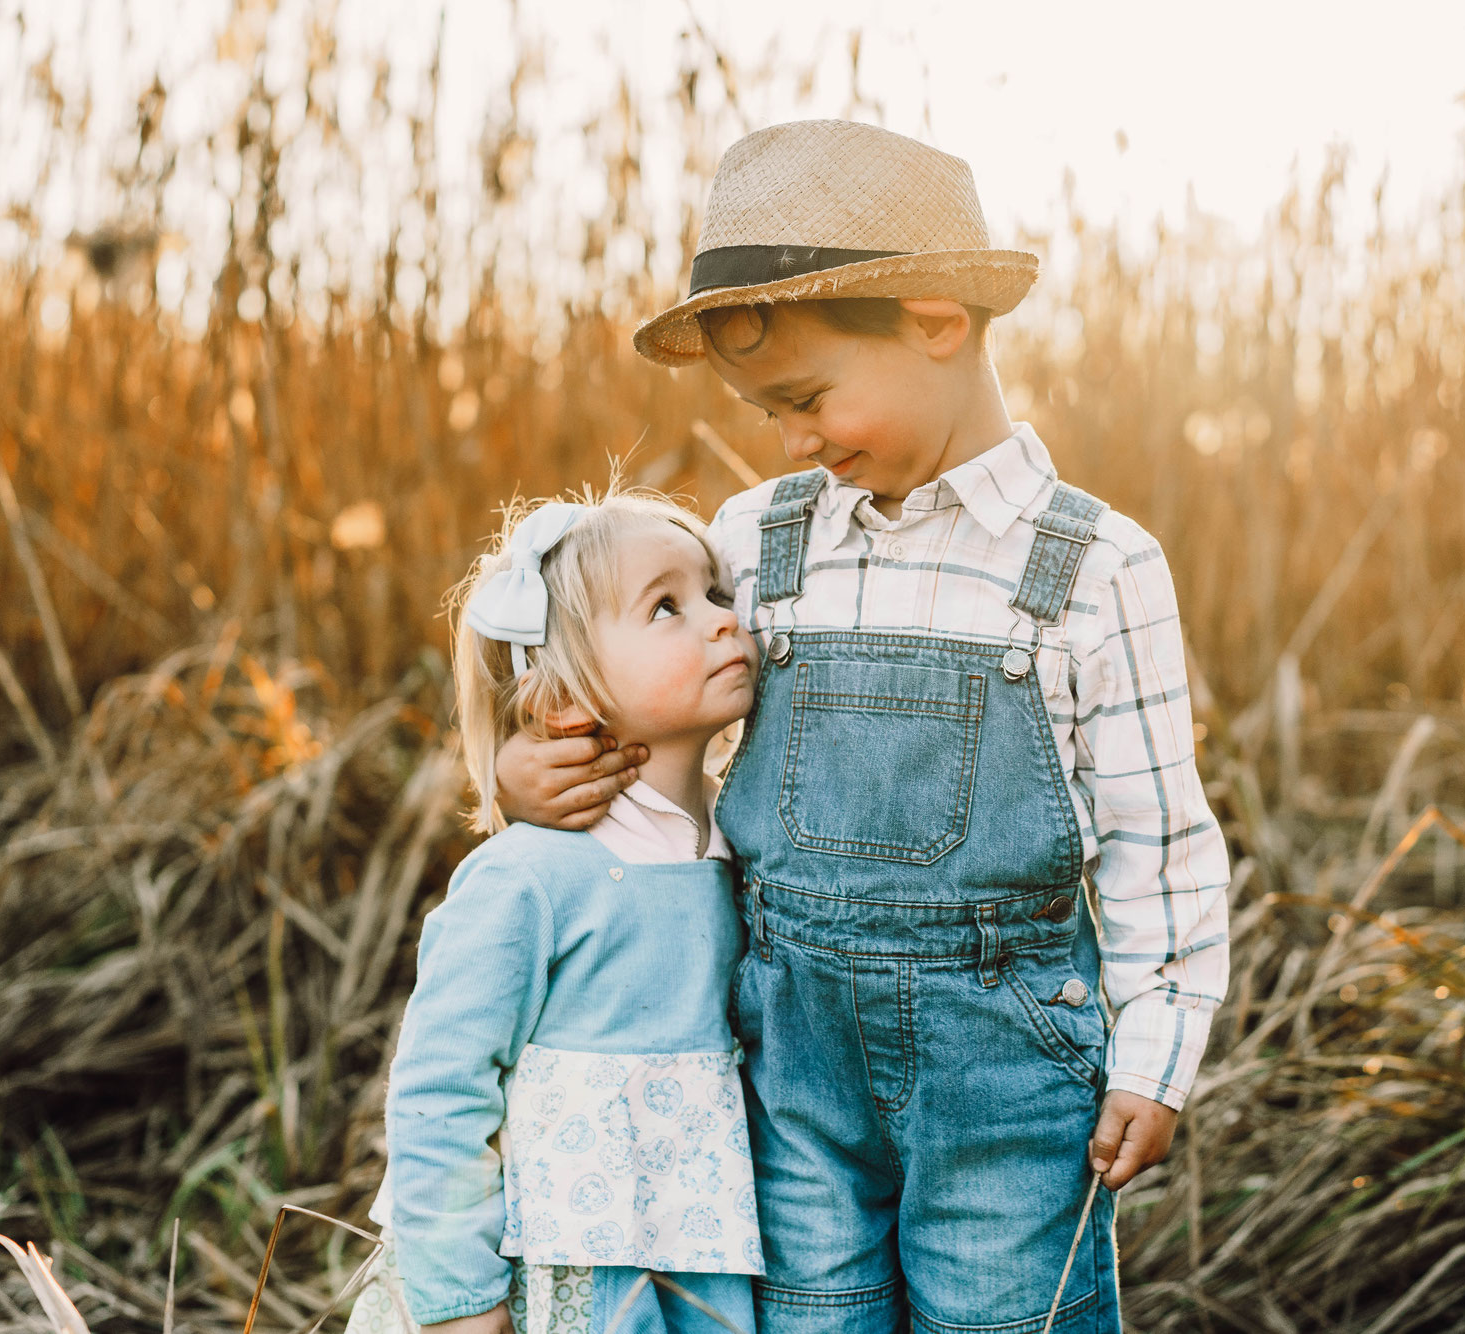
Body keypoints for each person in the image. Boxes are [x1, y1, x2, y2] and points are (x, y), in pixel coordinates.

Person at [497, 120, 1231, 1333]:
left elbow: (1160, 840)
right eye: (764, 409)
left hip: (1006, 1089)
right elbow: (649, 711)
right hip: (792, 1075)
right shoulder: (754, 537)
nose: (791, 441)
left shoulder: (1098, 566)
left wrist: (1157, 1054)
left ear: (937, 320)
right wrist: (545, 771)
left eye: (804, 398)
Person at [345, 489, 765, 1334]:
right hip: (550, 1282)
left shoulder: (751, 846)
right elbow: (439, 1090)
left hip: (699, 1270)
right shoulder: (528, 878)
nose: (722, 620)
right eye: (666, 607)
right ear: (561, 702)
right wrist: (460, 1303)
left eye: (717, 594)